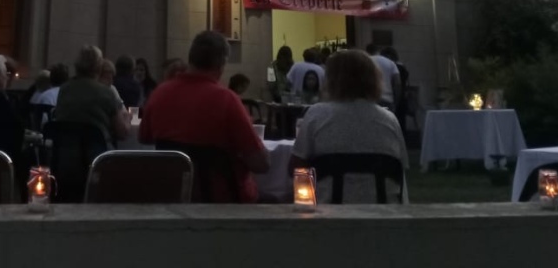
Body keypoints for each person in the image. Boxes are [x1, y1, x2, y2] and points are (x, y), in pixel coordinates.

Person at [140, 31, 269, 203]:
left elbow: (144, 137)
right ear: (222, 63)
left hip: (172, 197)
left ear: (190, 58)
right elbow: (261, 164)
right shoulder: (227, 100)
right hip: (224, 201)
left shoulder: (159, 94)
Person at [291, 49, 408, 203]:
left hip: (328, 215)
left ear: (331, 80)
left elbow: (296, 167)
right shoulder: (390, 120)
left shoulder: (316, 115)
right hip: (383, 215)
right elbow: (401, 167)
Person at [54, 46, 129, 145]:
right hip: (99, 156)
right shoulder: (106, 92)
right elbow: (122, 133)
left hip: (67, 153)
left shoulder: (64, 89)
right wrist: (128, 117)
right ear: (98, 66)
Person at [380, 46, 410, 132]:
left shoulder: (393, 67)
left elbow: (396, 84)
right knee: (400, 125)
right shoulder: (402, 67)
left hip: (394, 98)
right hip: (401, 98)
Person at [366, 43, 402, 111]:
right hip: (387, 100)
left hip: (370, 100)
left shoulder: (365, 61)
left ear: (367, 51)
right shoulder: (390, 63)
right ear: (379, 51)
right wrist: (396, 102)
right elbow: (397, 83)